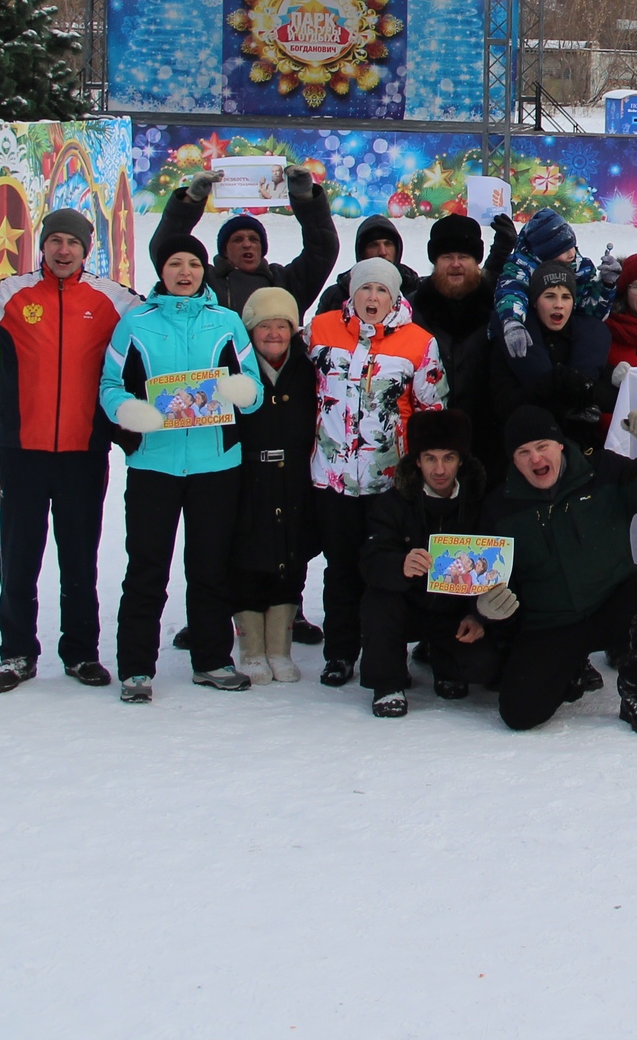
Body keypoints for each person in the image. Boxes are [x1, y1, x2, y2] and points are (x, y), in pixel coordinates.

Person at [0, 208, 138, 694]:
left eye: (73, 243)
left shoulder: (113, 299)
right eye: (55, 241)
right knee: (19, 556)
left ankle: (81, 652)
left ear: (87, 250)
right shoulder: (12, 294)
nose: (63, 250)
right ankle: (16, 653)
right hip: (21, 451)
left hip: (84, 451)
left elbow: (161, 318)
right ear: (43, 246)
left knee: (79, 557)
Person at [99, 232, 265, 703]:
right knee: (147, 566)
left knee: (210, 566)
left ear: (203, 269)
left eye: (192, 263)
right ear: (161, 271)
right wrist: (128, 412)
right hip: (154, 464)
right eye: (175, 264)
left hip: (217, 464)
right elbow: (110, 384)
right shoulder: (135, 324)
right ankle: (135, 667)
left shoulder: (227, 323)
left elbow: (251, 382)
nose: (185, 272)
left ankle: (212, 659)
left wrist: (241, 394)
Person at [479, 404, 637, 735]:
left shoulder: (601, 471)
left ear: (559, 444)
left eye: (542, 446)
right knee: (519, 714)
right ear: (512, 459)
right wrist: (484, 607)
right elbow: (487, 578)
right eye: (523, 452)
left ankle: (636, 693)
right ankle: (570, 673)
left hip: (610, 606)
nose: (535, 459)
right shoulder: (498, 509)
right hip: (551, 624)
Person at [306, 257, 448, 687]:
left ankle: (387, 649)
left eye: (381, 291)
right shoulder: (321, 329)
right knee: (341, 566)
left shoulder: (420, 342)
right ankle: (341, 652)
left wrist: (420, 470)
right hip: (331, 476)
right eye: (365, 289)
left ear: (394, 296)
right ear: (352, 293)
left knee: (388, 568)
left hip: (389, 480)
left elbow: (433, 408)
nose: (372, 298)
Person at [359, 408, 504, 715]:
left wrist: (479, 616)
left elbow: (496, 570)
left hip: (455, 612)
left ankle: (445, 662)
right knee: (378, 599)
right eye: (430, 458)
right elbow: (370, 560)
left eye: (448, 457)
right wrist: (399, 564)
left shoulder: (481, 505)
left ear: (461, 460)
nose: (439, 469)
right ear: (417, 461)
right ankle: (387, 683)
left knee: (483, 668)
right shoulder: (394, 503)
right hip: (408, 605)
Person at [228, 286, 318, 684]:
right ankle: (251, 648)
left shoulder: (307, 366)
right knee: (247, 552)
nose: (273, 334)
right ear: (251, 330)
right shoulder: (236, 366)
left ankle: (279, 648)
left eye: (281, 326)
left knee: (291, 552)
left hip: (295, 473)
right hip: (249, 474)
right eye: (265, 326)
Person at [152, 163, 339, 317]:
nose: (247, 244)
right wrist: (191, 200)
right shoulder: (204, 282)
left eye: (254, 239)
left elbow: (322, 249)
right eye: (237, 240)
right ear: (224, 251)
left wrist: (306, 199)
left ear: (262, 249)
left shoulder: (287, 283)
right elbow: (166, 250)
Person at [407, 212, 512, 475]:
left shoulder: (500, 307)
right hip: (431, 450)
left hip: (489, 444)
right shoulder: (410, 311)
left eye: (464, 257)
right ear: (434, 262)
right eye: (447, 257)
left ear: (476, 262)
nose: (456, 264)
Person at [492, 259, 614, 454]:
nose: (558, 305)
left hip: (581, 452)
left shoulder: (586, 339)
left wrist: (586, 393)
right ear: (534, 301)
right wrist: (551, 383)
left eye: (566, 297)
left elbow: (610, 394)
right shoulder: (515, 341)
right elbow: (504, 404)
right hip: (528, 452)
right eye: (549, 296)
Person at [493, 207, 613, 359]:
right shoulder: (522, 266)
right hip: (532, 340)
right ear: (546, 252)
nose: (572, 254)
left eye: (573, 246)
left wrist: (607, 285)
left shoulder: (579, 267)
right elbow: (511, 292)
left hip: (564, 340)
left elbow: (590, 311)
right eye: (563, 250)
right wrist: (512, 322)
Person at [312, 215, 419, 318]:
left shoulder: (415, 290)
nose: (382, 252)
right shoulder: (336, 296)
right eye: (373, 245)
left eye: (388, 244)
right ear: (361, 252)